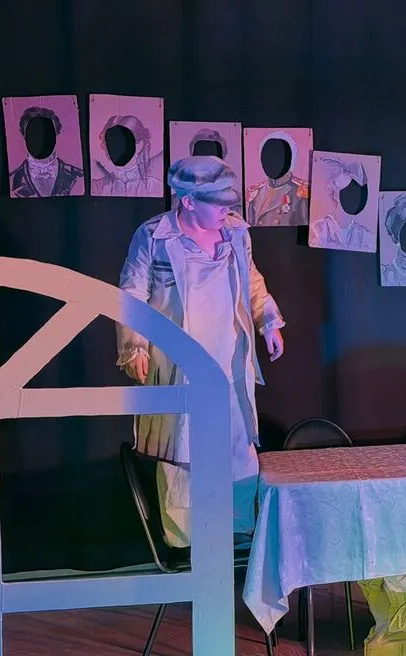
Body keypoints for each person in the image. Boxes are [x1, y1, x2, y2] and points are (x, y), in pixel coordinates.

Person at [116, 156, 286, 548]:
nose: (228, 207)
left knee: (238, 447)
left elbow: (252, 279)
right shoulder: (154, 236)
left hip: (229, 359)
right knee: (183, 453)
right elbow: (132, 293)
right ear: (189, 201)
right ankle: (187, 544)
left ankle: (240, 533)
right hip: (180, 362)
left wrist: (268, 321)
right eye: (218, 200)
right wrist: (135, 347)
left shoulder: (236, 232)